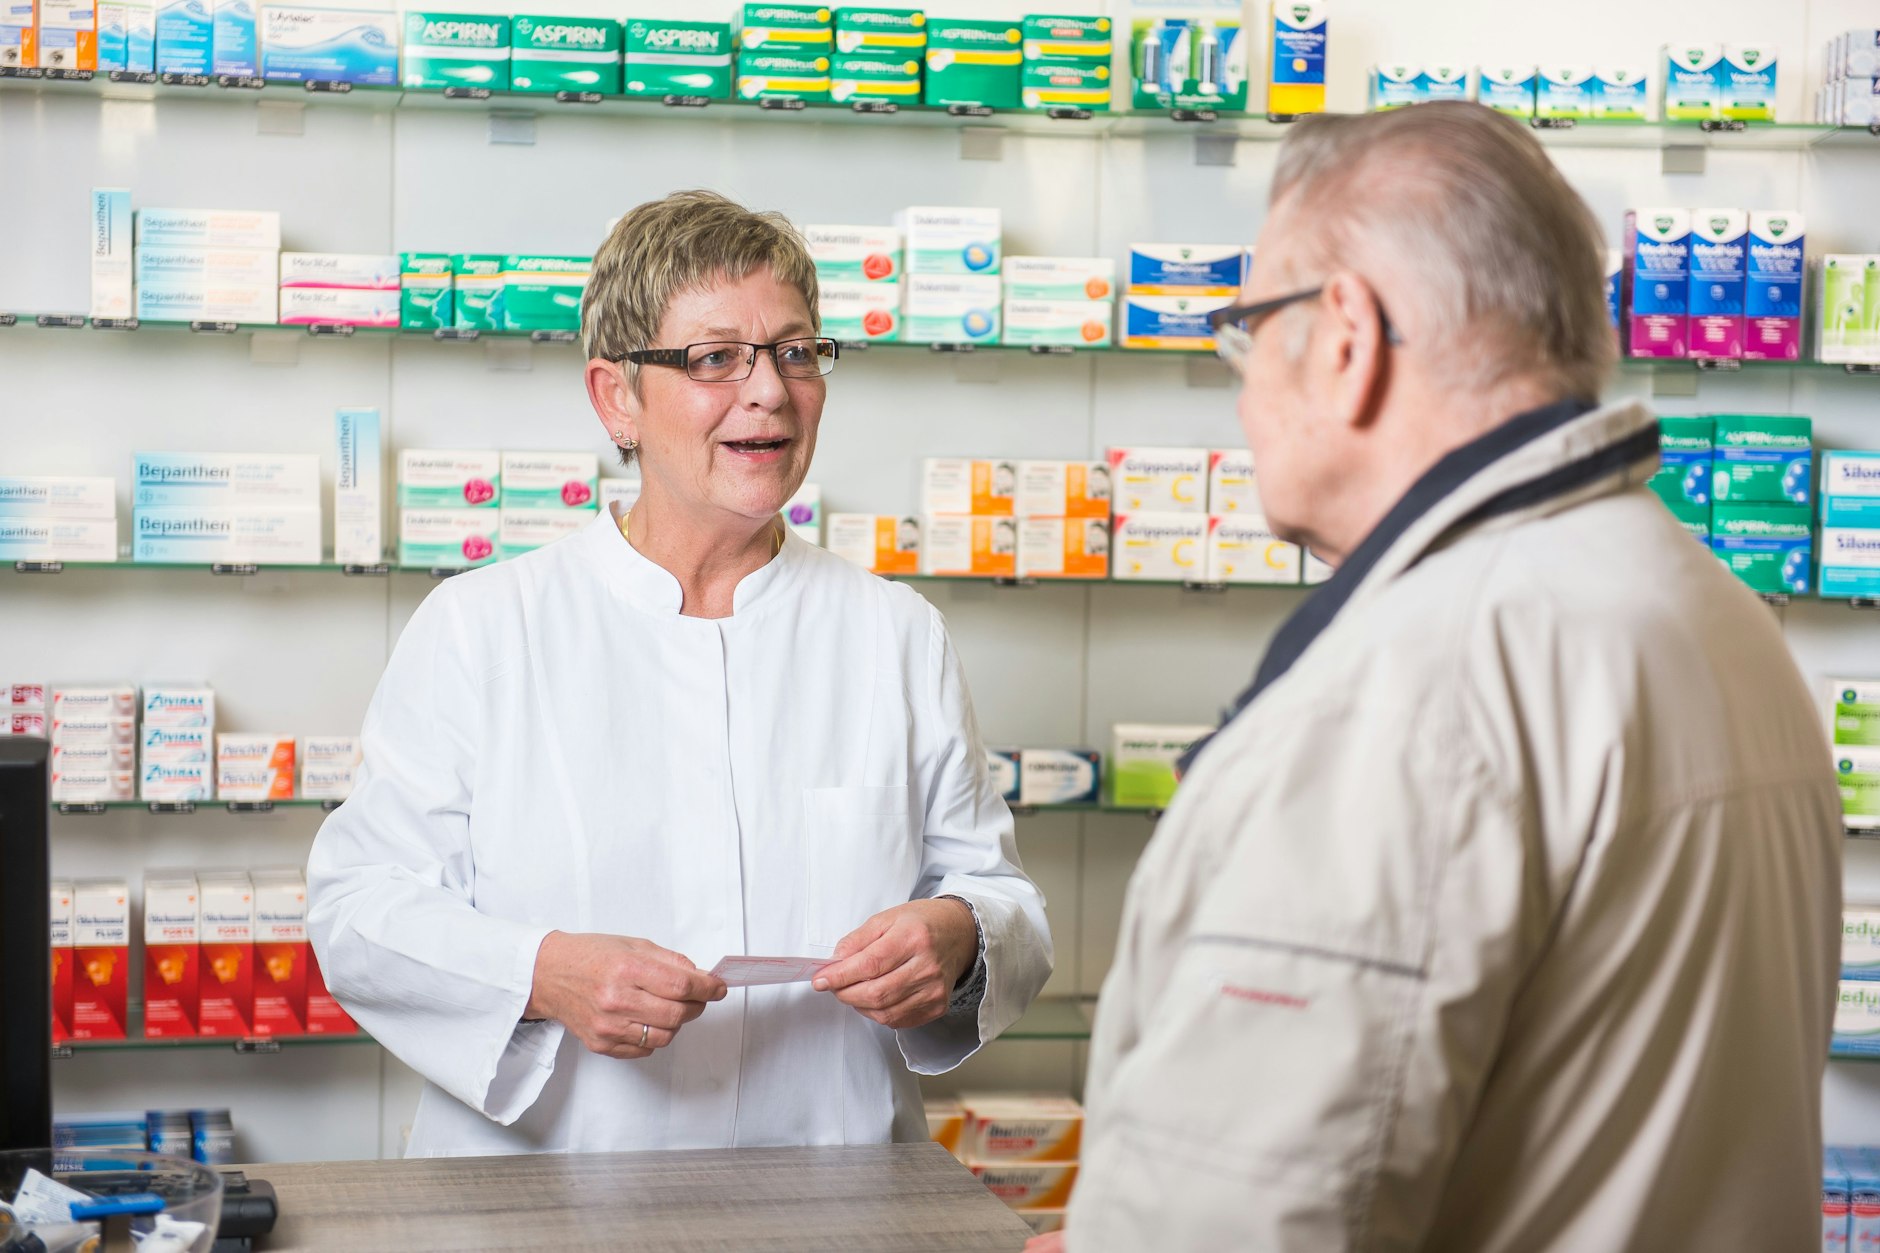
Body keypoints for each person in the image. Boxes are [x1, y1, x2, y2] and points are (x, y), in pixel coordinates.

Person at [1042, 103, 1841, 1251]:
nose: (1239, 390)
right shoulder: (1712, 609)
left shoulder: (1416, 690)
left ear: (1344, 335)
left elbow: (1242, 1215)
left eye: (1243, 331)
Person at [308, 190, 1052, 1157]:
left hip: (827, 1196)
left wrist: (958, 935)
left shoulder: (895, 634)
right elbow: (358, 909)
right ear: (616, 396)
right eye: (715, 359)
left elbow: (1006, 901)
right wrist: (540, 969)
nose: (771, 392)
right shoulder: (485, 629)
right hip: (542, 1198)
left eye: (796, 350)